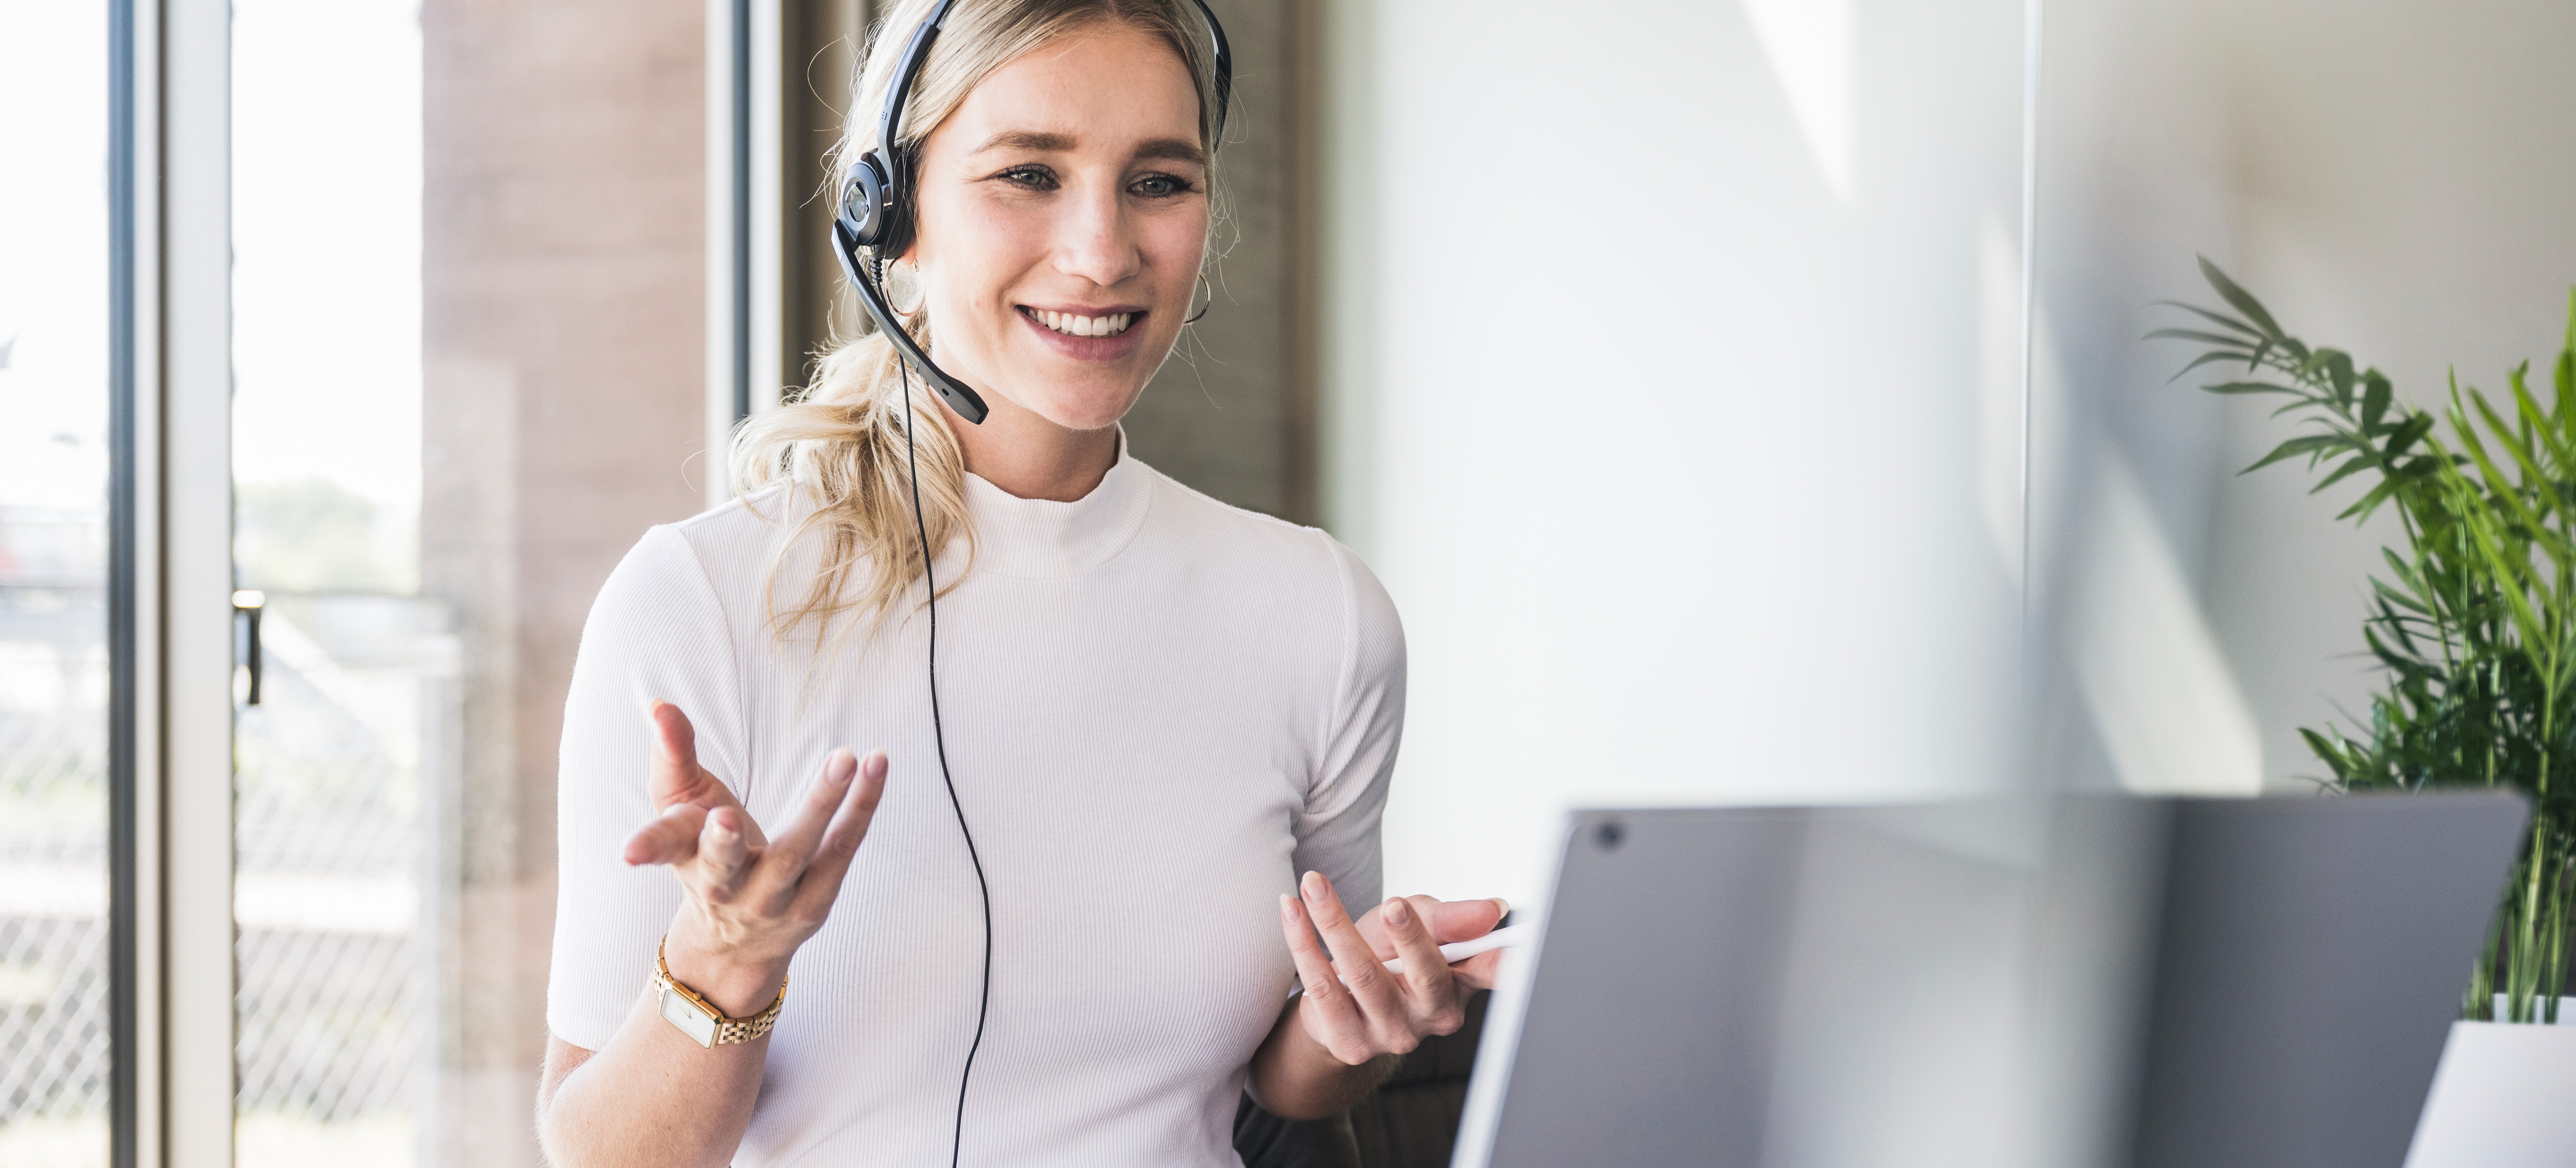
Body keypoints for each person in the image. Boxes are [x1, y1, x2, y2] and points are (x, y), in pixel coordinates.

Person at [532, 2, 1503, 1164]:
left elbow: (1286, 1089)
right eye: (1029, 174)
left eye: (1158, 181)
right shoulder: (701, 602)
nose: (1103, 251)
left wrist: (1361, 1027)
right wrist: (729, 954)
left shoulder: (1319, 616)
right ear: (890, 216)